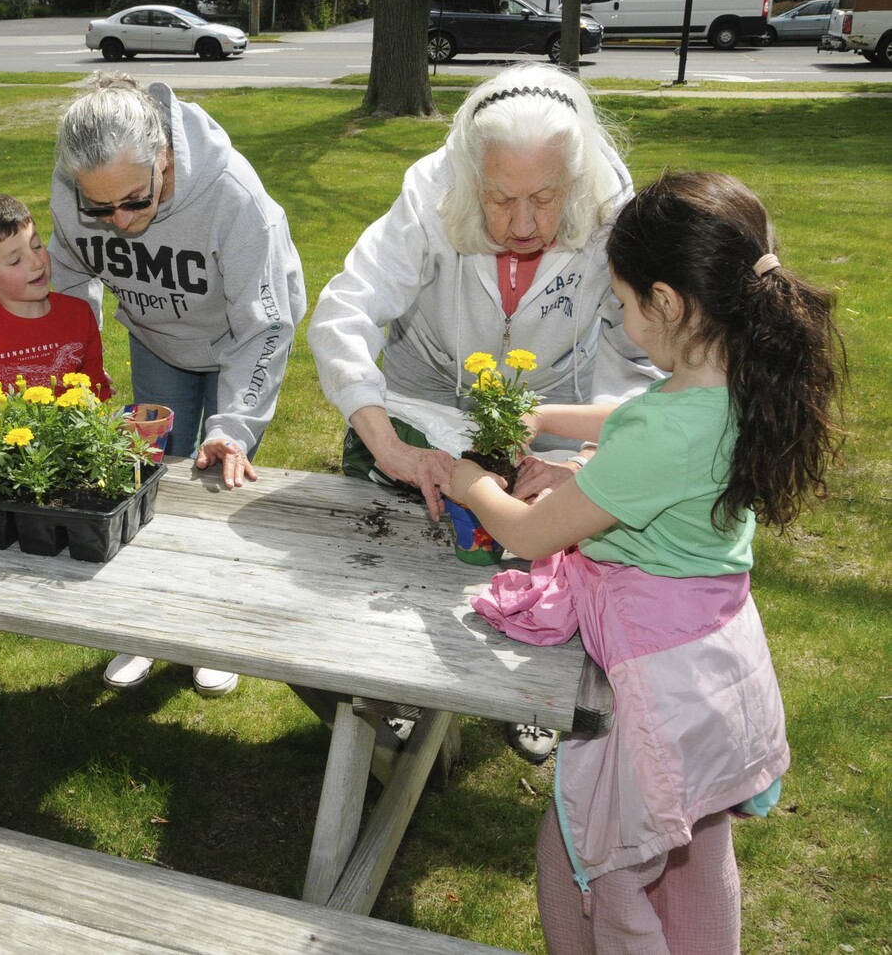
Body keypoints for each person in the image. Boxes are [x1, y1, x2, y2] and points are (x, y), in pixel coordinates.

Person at [444, 172, 844, 953]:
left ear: (668, 302)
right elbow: (635, 413)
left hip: (653, 688)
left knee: (593, 859)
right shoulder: (728, 385)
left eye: (624, 303)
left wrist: (468, 481)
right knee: (694, 849)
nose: (621, 320)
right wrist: (543, 414)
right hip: (713, 668)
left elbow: (530, 534)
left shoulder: (672, 437)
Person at [307, 63, 657, 762]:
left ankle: (529, 688)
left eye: (545, 198)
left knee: (544, 554)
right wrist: (384, 442)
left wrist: (592, 459)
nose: (522, 224)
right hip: (427, 395)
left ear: (577, 178)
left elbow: (641, 356)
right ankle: (401, 686)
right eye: (499, 200)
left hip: (551, 408)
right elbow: (344, 313)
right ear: (470, 177)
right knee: (413, 560)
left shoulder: (615, 207)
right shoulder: (430, 190)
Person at [49, 72, 307, 699]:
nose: (121, 222)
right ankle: (143, 626)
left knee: (219, 488)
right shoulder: (75, 184)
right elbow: (69, 275)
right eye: (100, 208)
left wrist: (234, 427)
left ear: (164, 156)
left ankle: (213, 632)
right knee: (145, 478)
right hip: (156, 338)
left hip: (236, 346)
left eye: (136, 201)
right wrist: (74, 367)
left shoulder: (233, 197)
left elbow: (266, 324)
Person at [0, 193, 111, 399]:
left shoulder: (79, 314)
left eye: (36, 246)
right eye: (15, 260)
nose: (36, 263)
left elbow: (95, 391)